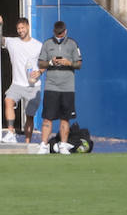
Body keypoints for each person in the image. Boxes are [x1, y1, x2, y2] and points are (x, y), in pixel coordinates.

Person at [36, 20, 81, 154]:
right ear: (53, 32)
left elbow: (79, 64)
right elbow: (40, 63)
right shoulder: (47, 44)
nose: (59, 35)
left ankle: (63, 145)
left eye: (61, 33)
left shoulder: (72, 44)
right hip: (51, 86)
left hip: (67, 87)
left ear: (65, 31)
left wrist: (69, 63)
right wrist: (51, 62)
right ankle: (43, 145)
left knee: (65, 117)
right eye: (57, 33)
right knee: (48, 117)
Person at [2, 16, 44, 145]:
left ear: (28, 27)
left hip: (33, 86)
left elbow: (44, 62)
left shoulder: (38, 45)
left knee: (29, 116)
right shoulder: (12, 42)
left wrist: (40, 72)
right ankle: (11, 133)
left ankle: (27, 143)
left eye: (22, 28)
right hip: (17, 84)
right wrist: (1, 25)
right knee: (8, 100)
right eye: (18, 29)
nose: (20, 30)